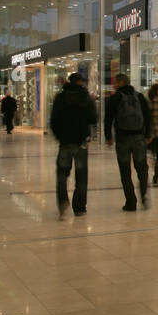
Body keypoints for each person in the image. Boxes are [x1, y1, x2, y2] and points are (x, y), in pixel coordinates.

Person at [50, 72, 97, 219]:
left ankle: (63, 202)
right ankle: (79, 208)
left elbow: (54, 120)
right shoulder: (86, 98)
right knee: (81, 176)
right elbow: (93, 119)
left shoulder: (60, 97)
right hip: (81, 141)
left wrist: (59, 136)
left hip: (65, 142)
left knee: (62, 175)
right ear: (81, 82)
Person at [105, 73, 151, 211]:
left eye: (115, 82)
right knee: (142, 169)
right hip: (138, 138)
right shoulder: (140, 97)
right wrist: (148, 134)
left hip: (122, 139)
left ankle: (131, 202)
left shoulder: (115, 98)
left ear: (120, 82)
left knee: (125, 171)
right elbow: (148, 117)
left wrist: (108, 137)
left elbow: (108, 119)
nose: (113, 84)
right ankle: (144, 196)